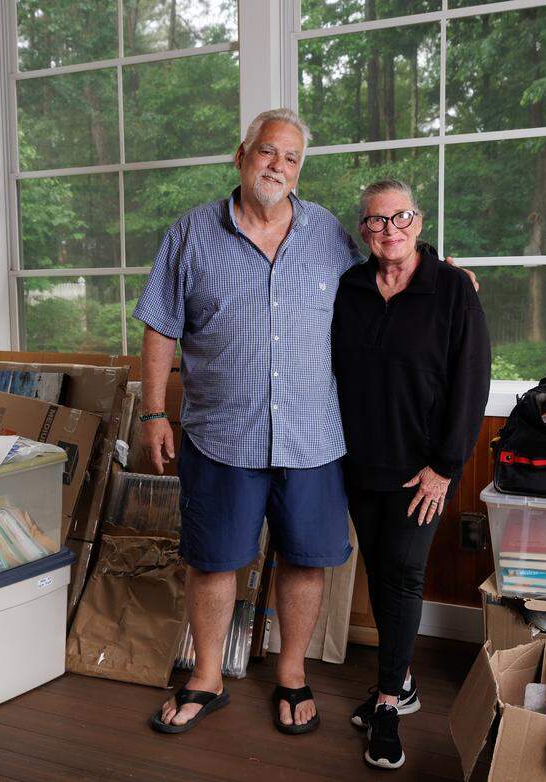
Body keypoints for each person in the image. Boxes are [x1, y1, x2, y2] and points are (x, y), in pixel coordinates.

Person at [135, 108, 354, 736]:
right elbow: (159, 327)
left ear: (299, 168)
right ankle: (207, 675)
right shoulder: (189, 234)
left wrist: (443, 275)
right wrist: (154, 411)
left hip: (313, 435)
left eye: (290, 158)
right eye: (267, 152)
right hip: (220, 433)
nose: (277, 166)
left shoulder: (329, 235)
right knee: (213, 560)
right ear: (241, 155)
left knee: (305, 560)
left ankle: (290, 672)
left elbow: (385, 281)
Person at [331, 179, 491, 770]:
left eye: (399, 217)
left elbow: (471, 384)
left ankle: (388, 702)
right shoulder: (348, 288)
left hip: (421, 471)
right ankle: (403, 680)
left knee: (402, 576)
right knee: (380, 573)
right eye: (375, 221)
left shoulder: (452, 290)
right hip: (357, 462)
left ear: (418, 221)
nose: (388, 230)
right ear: (364, 230)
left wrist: (445, 468)